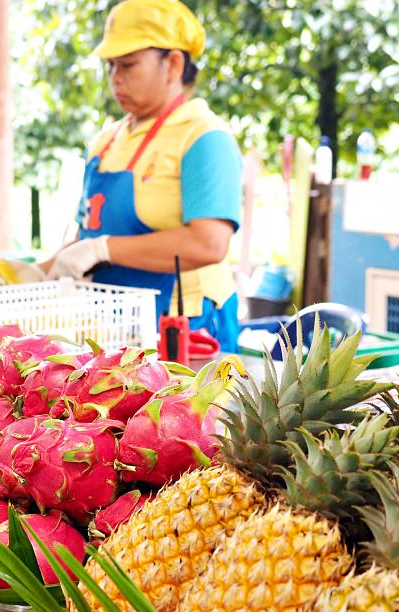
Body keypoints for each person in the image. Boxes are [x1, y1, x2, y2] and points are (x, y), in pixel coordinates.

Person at [43, 0, 244, 351]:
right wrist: (35, 273)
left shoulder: (203, 137)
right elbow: (86, 235)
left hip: (186, 325)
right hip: (112, 325)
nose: (115, 77)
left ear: (174, 64)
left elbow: (209, 243)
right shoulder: (104, 143)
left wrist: (103, 248)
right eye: (110, 66)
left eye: (128, 65)